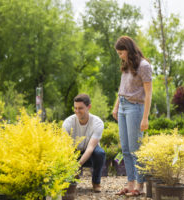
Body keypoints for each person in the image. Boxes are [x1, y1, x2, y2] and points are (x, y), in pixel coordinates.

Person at [113, 36, 152, 197]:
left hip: (135, 108)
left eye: (121, 53)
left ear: (128, 50)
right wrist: (116, 107)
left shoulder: (144, 66)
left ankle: (140, 186)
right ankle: (130, 184)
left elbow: (149, 94)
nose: (120, 56)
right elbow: (122, 88)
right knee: (126, 149)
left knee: (136, 149)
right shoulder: (126, 65)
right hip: (122, 107)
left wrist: (145, 117)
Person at [62, 94, 105, 193]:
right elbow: (65, 148)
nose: (77, 111)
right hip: (73, 152)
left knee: (100, 153)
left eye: (80, 108)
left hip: (90, 153)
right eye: (75, 108)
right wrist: (72, 166)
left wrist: (78, 165)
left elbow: (90, 148)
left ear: (89, 107)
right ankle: (71, 180)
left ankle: (96, 182)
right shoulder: (67, 123)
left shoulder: (98, 123)